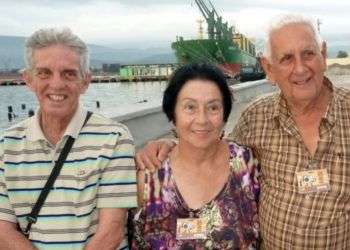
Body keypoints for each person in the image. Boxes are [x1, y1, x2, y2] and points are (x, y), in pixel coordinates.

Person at [136, 14, 350, 249]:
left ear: (323, 55)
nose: (300, 68)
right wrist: (171, 144)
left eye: (308, 54)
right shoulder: (257, 117)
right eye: (287, 58)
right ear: (269, 68)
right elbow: (209, 144)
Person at [0, 28, 137, 250]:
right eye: (44, 73)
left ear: (85, 81)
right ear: (28, 79)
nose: (56, 84)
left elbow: (111, 231)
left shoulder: (114, 138)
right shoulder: (6, 146)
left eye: (69, 73)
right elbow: (3, 230)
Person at [132, 63, 260, 249]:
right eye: (190, 107)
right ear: (172, 113)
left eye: (213, 107)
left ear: (225, 114)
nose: (202, 119)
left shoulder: (247, 164)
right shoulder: (148, 177)